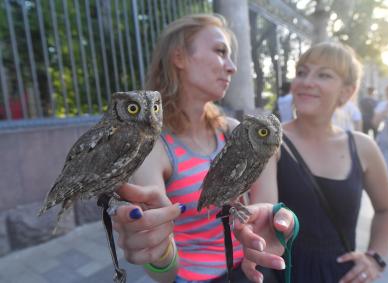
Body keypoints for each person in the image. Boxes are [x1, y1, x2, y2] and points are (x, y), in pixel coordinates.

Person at [110, 14, 293, 283]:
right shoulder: (154, 146)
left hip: (251, 271)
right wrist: (159, 254)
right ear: (179, 57)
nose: (231, 67)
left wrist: (277, 223)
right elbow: (163, 271)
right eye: (220, 51)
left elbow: (267, 209)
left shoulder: (236, 131)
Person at [275, 42, 388, 283]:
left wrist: (375, 258)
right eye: (302, 72)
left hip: (341, 275)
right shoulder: (272, 141)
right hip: (283, 273)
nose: (306, 81)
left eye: (324, 75)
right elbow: (264, 212)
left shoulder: (362, 147)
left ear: (347, 91)